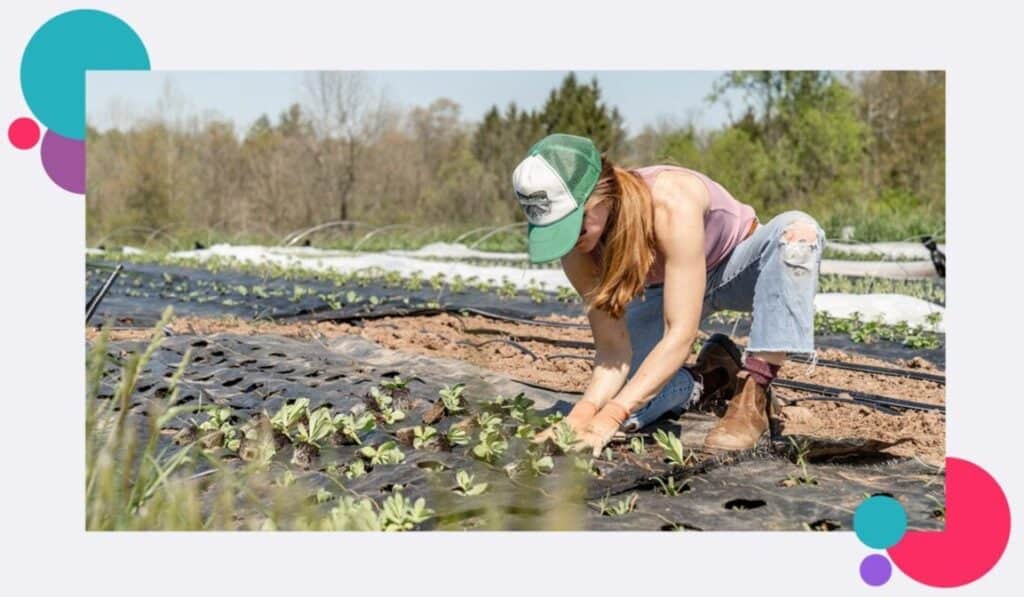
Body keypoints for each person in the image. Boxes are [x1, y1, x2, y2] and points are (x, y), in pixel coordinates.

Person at [511, 133, 824, 455]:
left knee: (798, 234)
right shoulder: (578, 250)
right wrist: (582, 415)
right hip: (667, 289)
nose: (572, 240)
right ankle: (711, 378)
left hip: (736, 268)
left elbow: (680, 334)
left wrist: (609, 418)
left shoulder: (670, 201)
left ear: (601, 194)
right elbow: (612, 350)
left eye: (575, 225)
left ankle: (754, 393)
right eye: (556, 231)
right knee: (630, 402)